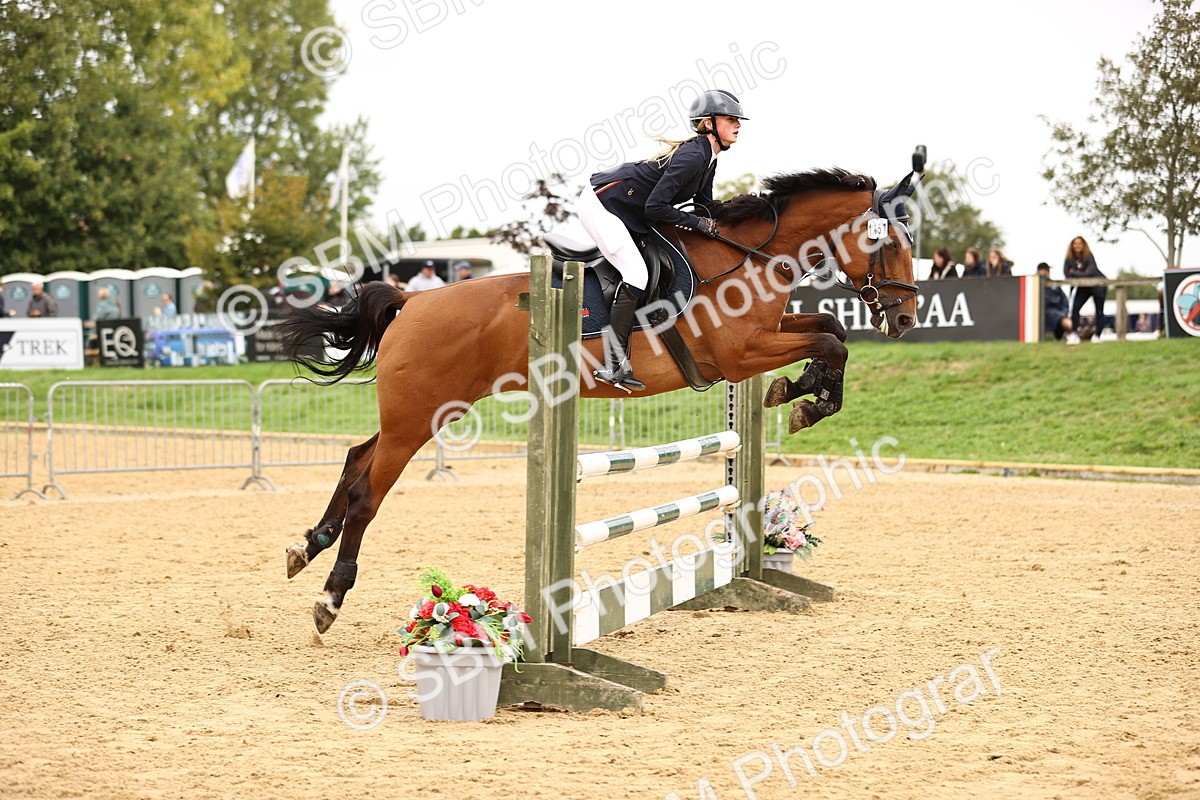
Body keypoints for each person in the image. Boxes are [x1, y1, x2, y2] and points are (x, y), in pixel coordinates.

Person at [577, 89, 746, 390]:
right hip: (603, 205)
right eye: (730, 119)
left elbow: (704, 206)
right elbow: (655, 207)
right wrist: (698, 223)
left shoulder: (708, 158)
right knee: (636, 274)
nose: (738, 124)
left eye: (738, 120)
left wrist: (740, 213)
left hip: (628, 209)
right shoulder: (694, 156)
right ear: (709, 124)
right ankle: (613, 363)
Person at [1064, 236, 1106, 342]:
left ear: (1083, 245)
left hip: (1098, 286)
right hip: (1083, 286)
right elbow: (1066, 273)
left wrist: (1074, 272)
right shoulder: (1069, 258)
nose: (1077, 245)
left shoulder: (1088, 256)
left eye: (1080, 243)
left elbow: (1091, 272)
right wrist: (1082, 273)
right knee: (1075, 308)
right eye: (1075, 243)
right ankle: (1074, 334)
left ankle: (1097, 335)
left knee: (1099, 311)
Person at [1036, 262, 1075, 342]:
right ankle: (1070, 335)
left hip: (1058, 313)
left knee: (1064, 321)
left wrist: (1064, 312)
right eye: (1045, 270)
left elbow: (1064, 301)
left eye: (1047, 270)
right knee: (1065, 322)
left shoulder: (1055, 285)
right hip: (1044, 313)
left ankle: (1070, 335)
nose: (1047, 272)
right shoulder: (1034, 285)